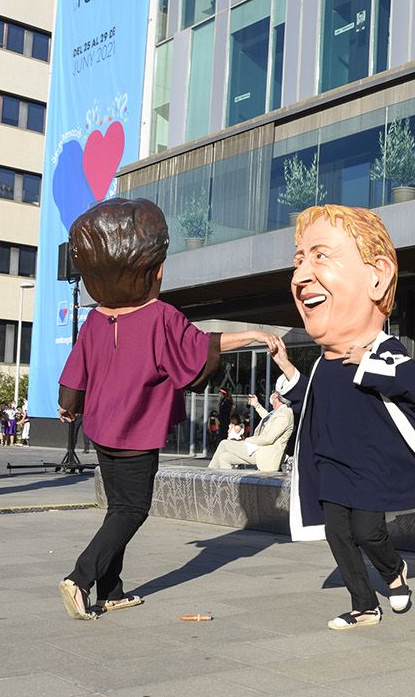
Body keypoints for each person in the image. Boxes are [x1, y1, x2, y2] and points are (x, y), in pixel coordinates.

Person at [56, 197, 276, 621]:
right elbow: (201, 347)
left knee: (117, 507)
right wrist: (250, 334)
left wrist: (69, 405)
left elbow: (76, 368)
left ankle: (113, 590)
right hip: (137, 429)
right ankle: (81, 578)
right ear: (152, 269)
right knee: (132, 509)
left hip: (102, 428)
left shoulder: (97, 319)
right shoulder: (160, 316)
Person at [273, 204, 415, 630]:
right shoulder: (323, 362)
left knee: (367, 532)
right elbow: (307, 401)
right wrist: (287, 367)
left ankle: (393, 573)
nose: (301, 276)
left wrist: (364, 361)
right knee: (336, 533)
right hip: (330, 461)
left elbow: (407, 381)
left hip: (369, 465)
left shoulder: (385, 348)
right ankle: (364, 605)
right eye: (299, 261)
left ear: (377, 275)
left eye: (320, 256)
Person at [209, 387, 295, 472]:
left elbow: (268, 439)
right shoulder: (279, 412)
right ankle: (227, 484)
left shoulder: (284, 414)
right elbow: (269, 419)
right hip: (259, 450)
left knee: (224, 444)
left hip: (265, 454)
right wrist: (256, 405)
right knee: (224, 457)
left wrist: (246, 440)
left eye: (273, 392)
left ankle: (206, 476)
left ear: (276, 396)